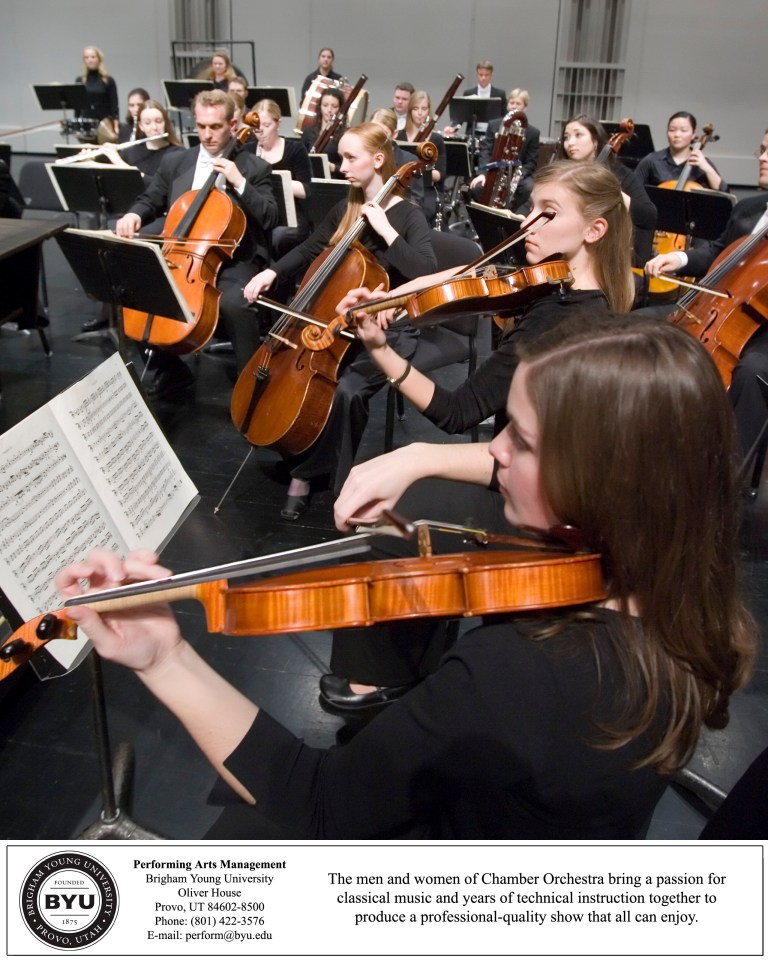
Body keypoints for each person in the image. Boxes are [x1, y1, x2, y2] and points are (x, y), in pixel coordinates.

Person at [53, 316, 757, 839]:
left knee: (241, 839)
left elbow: (319, 806)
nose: (494, 451)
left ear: (609, 483)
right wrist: (421, 459)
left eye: (521, 438)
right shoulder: (685, 582)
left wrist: (164, 656)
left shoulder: (523, 673)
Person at [321, 159, 635, 708]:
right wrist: (386, 306)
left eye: (547, 213)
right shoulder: (556, 290)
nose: (527, 225)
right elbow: (453, 279)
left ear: (595, 230)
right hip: (518, 465)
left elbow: (457, 411)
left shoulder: (567, 323)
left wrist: (416, 448)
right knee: (409, 494)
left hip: (545, 501)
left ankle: (390, 670)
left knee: (399, 514)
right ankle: (412, 651)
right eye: (530, 209)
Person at [242, 121, 436, 518]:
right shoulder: (346, 206)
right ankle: (298, 448)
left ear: (378, 161)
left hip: (386, 328)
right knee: (307, 382)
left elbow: (425, 270)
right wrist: (271, 273)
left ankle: (319, 476)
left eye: (350, 157)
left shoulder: (408, 216)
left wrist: (385, 231)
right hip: (333, 320)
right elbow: (312, 248)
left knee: (347, 390)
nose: (340, 164)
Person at [114, 89, 278, 398]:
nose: (207, 134)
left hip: (235, 257)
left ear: (232, 124)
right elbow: (152, 197)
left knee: (234, 303)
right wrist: (135, 214)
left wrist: (239, 181)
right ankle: (171, 371)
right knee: (133, 290)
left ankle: (251, 388)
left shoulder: (254, 168)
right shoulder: (177, 160)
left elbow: (270, 217)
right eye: (201, 126)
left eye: (215, 127)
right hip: (185, 252)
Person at [645, 130, 768, 457]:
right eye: (762, 149)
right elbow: (718, 251)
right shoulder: (749, 208)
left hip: (763, 332)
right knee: (639, 326)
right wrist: (680, 258)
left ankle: (732, 480)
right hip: (722, 311)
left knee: (752, 372)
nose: (762, 158)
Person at [559, 114, 657, 265]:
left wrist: (613, 193)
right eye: (566, 137)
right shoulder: (563, 174)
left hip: (608, 256)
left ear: (596, 141)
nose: (570, 143)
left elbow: (649, 215)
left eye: (578, 135)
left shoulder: (619, 173)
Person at [251, 98, 312, 257]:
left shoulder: (295, 149)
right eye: (256, 127)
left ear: (278, 123)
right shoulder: (248, 149)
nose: (261, 131)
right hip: (258, 214)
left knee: (277, 237)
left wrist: (278, 182)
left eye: (266, 126)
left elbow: (307, 189)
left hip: (290, 217)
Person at [469, 88, 540, 213]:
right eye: (512, 103)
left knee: (529, 188)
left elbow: (531, 162)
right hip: (494, 170)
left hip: (518, 174)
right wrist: (483, 174)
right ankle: (486, 216)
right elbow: (485, 151)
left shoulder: (533, 133)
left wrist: (517, 176)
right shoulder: (493, 125)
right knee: (477, 187)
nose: (514, 106)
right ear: (507, 105)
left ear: (525, 108)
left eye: (518, 104)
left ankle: (513, 216)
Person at [635, 111, 727, 192]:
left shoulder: (702, 163)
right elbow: (632, 190)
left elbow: (723, 191)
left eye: (683, 130)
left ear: (693, 134)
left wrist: (707, 168)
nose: (677, 134)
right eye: (672, 130)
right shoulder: (652, 161)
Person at [400, 90, 446, 227]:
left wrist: (421, 169)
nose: (420, 113)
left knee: (421, 211)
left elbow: (440, 174)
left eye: (424, 109)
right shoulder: (400, 136)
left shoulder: (436, 139)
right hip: (405, 188)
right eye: (416, 109)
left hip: (428, 190)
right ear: (410, 111)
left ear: (429, 110)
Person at [444, 61, 505, 137]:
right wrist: (453, 127)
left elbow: (504, 116)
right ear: (477, 74)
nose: (483, 78)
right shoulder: (469, 93)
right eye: (481, 75)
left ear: (491, 75)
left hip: (492, 134)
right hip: (473, 133)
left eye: (487, 75)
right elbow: (461, 115)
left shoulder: (500, 94)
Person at [300, 87, 346, 176]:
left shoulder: (345, 135)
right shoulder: (309, 131)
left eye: (334, 106)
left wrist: (332, 167)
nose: (329, 110)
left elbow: (351, 169)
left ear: (340, 109)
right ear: (320, 107)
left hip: (334, 182)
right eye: (325, 105)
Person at [77, 46, 119, 138]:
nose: (90, 60)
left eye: (93, 57)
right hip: (86, 124)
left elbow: (114, 105)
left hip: (104, 124)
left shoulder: (108, 80)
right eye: (87, 58)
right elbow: (77, 107)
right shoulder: (80, 81)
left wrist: (115, 124)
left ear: (99, 59)